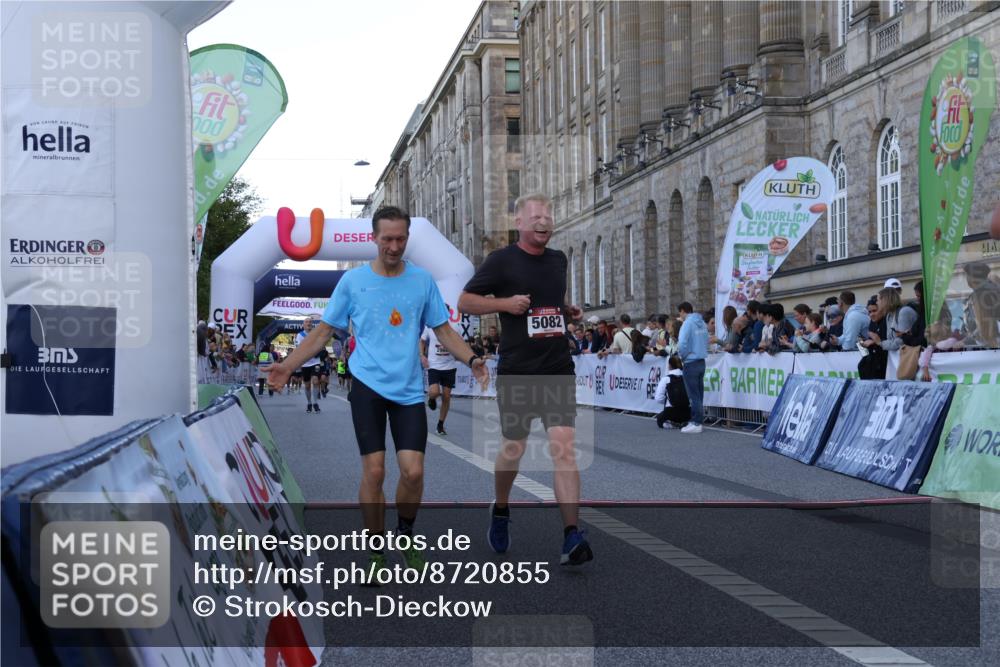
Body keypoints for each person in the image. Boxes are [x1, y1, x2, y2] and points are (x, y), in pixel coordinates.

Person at [269, 205, 488, 577]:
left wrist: (472, 359)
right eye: (387, 238)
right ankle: (375, 552)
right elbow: (323, 332)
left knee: (413, 472)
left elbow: (444, 330)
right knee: (374, 471)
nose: (394, 245)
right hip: (368, 386)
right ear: (374, 238)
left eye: (400, 238)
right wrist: (288, 365)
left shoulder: (421, 280)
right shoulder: (353, 283)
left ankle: (404, 535)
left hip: (407, 391)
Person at [458, 193, 592, 566]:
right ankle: (500, 507)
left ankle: (571, 535)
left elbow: (546, 303)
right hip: (518, 370)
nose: (543, 221)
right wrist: (503, 304)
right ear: (518, 222)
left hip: (556, 367)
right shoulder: (501, 261)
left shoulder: (557, 260)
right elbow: (465, 301)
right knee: (513, 448)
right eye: (535, 216)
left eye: (547, 216)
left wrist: (566, 311)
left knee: (564, 447)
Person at [676, 301, 708, 434]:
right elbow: (705, 340)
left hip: (690, 361)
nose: (680, 316)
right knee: (699, 394)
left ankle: (696, 422)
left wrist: (682, 357)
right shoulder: (702, 323)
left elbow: (682, 343)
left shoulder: (687, 324)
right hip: (701, 360)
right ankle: (697, 420)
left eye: (680, 313)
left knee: (693, 395)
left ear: (683, 311)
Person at [421, 323, 458, 436]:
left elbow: (461, 343)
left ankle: (440, 424)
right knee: (435, 392)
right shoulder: (429, 327)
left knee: (446, 397)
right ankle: (432, 399)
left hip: (450, 366)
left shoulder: (455, 327)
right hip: (434, 365)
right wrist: (422, 355)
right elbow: (422, 341)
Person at [295, 316, 326, 413]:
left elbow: (321, 346)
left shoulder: (315, 334)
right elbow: (299, 349)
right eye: (306, 322)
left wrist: (320, 351)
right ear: (303, 325)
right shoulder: (300, 336)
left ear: (312, 324)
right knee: (307, 385)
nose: (308, 323)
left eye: (310, 322)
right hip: (305, 364)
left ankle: (315, 403)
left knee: (316, 381)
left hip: (315, 362)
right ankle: (309, 403)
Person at [653, 355, 691, 429]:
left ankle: (671, 423)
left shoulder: (666, 379)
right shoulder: (687, 378)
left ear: (669, 365)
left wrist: (668, 399)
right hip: (687, 411)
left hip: (671, 411)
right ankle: (684, 422)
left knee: (659, 419)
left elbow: (658, 398)